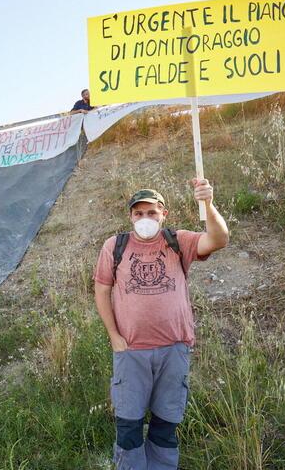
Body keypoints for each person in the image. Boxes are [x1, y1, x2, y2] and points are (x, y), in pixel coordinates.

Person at [93, 182, 229, 469]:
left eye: (152, 213)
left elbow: (219, 239)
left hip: (174, 350)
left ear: (163, 214)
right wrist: (114, 336)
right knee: (129, 426)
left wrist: (208, 204)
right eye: (139, 213)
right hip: (131, 351)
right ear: (130, 216)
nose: (145, 219)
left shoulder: (177, 241)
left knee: (165, 425)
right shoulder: (114, 246)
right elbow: (102, 289)